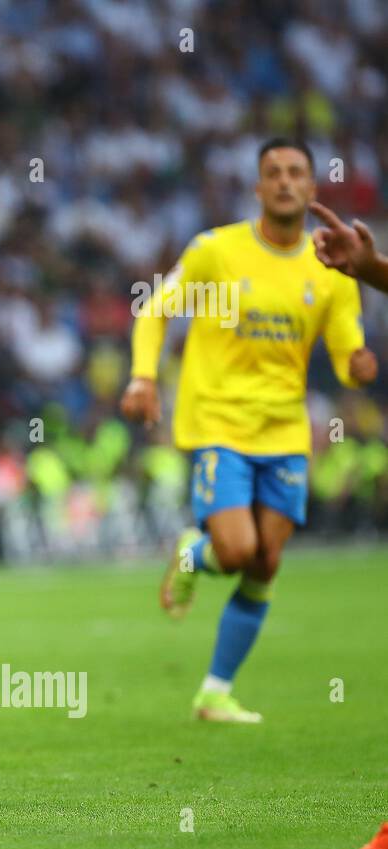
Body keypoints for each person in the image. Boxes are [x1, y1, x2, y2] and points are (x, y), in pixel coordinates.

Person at [121, 138, 378, 723]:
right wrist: (142, 378)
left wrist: (358, 365)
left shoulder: (332, 267)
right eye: (273, 173)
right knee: (237, 552)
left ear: (313, 188)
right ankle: (194, 553)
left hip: (285, 430)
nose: (285, 182)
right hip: (219, 422)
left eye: (296, 173)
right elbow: (156, 309)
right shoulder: (217, 251)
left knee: (266, 564)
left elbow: (346, 352)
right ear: (258, 188)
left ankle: (215, 691)